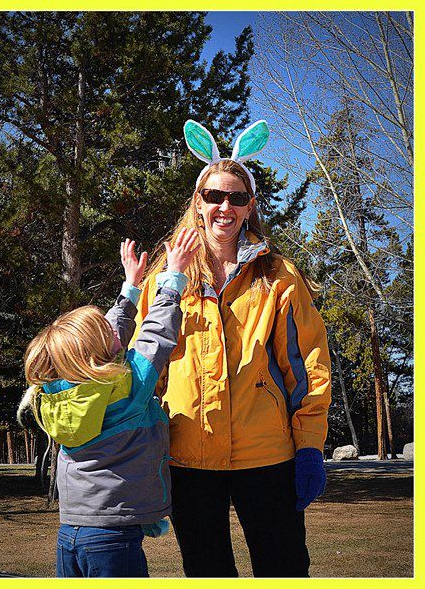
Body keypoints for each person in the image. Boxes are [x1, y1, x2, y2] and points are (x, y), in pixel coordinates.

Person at [132, 120, 331, 578]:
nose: (225, 206)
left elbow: (307, 367)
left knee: (283, 568)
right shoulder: (166, 277)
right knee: (206, 570)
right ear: (197, 204)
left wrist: (309, 446)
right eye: (214, 196)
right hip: (188, 455)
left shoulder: (278, 275)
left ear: (249, 207)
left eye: (237, 197)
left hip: (268, 456)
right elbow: (144, 363)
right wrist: (140, 439)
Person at [18, 229, 200, 578]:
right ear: (97, 355)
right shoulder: (125, 386)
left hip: (72, 529)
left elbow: (109, 336)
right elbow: (156, 337)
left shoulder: (59, 391)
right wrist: (172, 279)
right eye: (106, 334)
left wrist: (130, 287)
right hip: (112, 540)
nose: (113, 332)